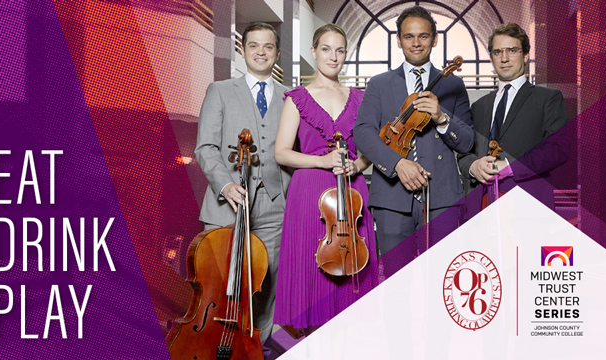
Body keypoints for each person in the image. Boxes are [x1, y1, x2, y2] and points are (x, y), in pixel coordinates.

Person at [273, 24, 377, 331]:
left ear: (346, 55)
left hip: (351, 190)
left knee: (351, 268)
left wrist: (358, 165)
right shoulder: (297, 98)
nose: (333, 57)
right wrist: (322, 161)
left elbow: (371, 150)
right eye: (327, 49)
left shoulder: (361, 97)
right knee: (311, 269)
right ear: (314, 52)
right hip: (309, 191)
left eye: (340, 50)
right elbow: (281, 152)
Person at [194, 22, 291, 347]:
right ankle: (215, 346)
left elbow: (296, 151)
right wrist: (224, 185)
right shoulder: (220, 91)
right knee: (220, 285)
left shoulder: (290, 98)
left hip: (274, 207)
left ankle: (256, 349)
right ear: (243, 50)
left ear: (277, 53)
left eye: (267, 46)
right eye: (253, 46)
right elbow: (205, 147)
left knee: (265, 284)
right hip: (227, 206)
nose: (260, 52)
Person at [354, 6, 473, 256]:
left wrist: (441, 117)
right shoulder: (379, 84)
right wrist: (397, 163)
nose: (416, 43)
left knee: (442, 281)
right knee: (397, 285)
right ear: (398, 40)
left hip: (441, 197)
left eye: (423, 36)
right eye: (408, 36)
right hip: (392, 199)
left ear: (434, 38)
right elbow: (363, 133)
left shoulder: (453, 84)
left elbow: (467, 141)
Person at [457, 23, 570, 210]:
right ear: (492, 59)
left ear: (525, 55)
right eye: (497, 52)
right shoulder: (479, 106)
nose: (504, 58)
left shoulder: (548, 98)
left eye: (512, 50)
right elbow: (464, 151)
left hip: (528, 208)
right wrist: (472, 166)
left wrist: (510, 166)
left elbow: (558, 149)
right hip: (480, 207)